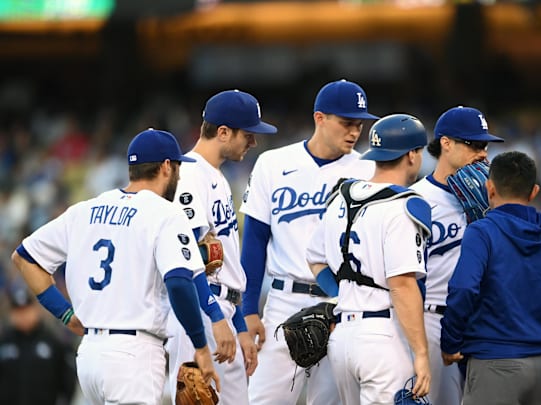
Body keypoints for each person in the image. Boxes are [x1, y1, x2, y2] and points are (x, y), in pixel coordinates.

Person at [10, 129, 219, 405]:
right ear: (167, 167)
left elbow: (24, 258)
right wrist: (201, 346)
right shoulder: (165, 213)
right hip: (133, 356)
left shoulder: (85, 210)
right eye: (178, 167)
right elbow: (179, 282)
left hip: (90, 356)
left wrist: (64, 315)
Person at [240, 79, 378, 404]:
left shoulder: (369, 169)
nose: (354, 131)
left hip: (339, 305)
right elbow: (255, 241)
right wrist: (248, 310)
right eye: (346, 122)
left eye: (359, 124)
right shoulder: (273, 163)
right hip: (282, 302)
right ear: (320, 118)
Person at [306, 113, 432, 403]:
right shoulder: (402, 205)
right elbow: (401, 284)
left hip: (342, 338)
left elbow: (315, 260)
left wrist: (346, 295)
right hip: (382, 337)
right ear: (411, 155)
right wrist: (422, 353)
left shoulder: (341, 195)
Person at [166, 89, 276, 405]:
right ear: (223, 132)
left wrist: (239, 326)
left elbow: (227, 267)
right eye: (248, 134)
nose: (253, 142)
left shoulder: (215, 175)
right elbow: (188, 260)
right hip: (201, 311)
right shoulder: (187, 176)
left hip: (223, 309)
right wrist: (215, 316)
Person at [441, 150, 541, 405]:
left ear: (490, 188)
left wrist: (450, 341)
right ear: (533, 192)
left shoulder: (482, 231)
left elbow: (464, 288)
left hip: (494, 363)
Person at [409, 105, 504, 405]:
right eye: (473, 145)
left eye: (485, 145)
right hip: (433, 320)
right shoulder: (416, 199)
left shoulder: (495, 196)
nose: (482, 153)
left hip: (486, 322)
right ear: (446, 143)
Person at [0, 285, 77, 405]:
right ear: (11, 314)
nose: (23, 316)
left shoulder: (53, 342)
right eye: (18, 312)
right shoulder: (4, 343)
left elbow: (67, 379)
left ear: (35, 311)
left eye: (26, 310)